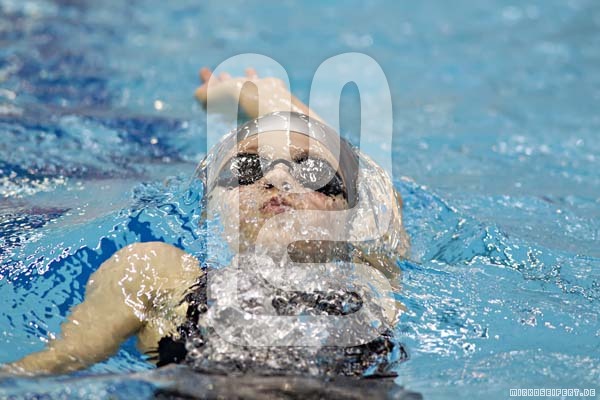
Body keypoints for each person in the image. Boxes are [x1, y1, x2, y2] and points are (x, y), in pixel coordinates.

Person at [3, 67, 409, 376]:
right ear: (212, 205)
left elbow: (377, 189)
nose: (277, 177)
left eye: (312, 171)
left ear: (350, 212)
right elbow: (59, 362)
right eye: (247, 167)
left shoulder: (369, 276)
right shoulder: (161, 275)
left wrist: (268, 99)